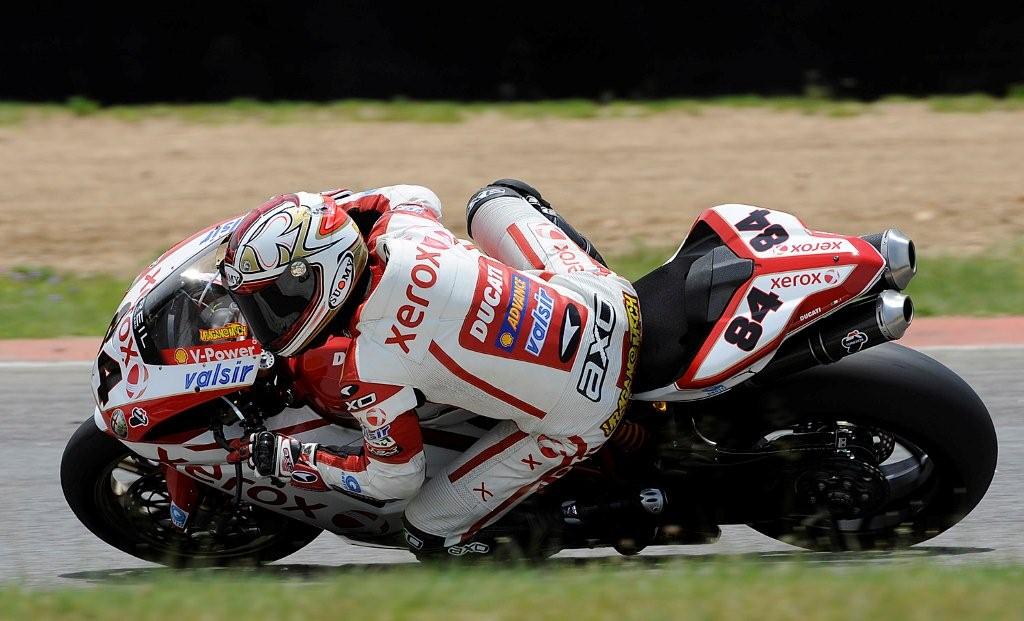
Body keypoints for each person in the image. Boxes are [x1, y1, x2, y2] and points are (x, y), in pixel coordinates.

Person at [221, 180, 642, 558]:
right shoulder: (404, 229)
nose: (268, 316)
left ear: (332, 273)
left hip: (585, 411)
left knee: (428, 532)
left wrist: (292, 458)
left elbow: (393, 480)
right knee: (494, 197)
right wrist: (329, 213)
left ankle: (600, 512)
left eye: (277, 298)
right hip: (608, 301)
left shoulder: (370, 365)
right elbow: (413, 195)